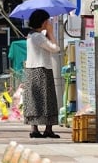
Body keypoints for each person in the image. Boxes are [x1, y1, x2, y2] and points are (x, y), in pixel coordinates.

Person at [23, 9, 61, 139]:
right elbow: (55, 49)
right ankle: (47, 129)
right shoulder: (38, 37)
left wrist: (47, 33)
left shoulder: (31, 35)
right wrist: (51, 32)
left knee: (35, 100)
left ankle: (35, 128)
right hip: (42, 70)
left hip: (32, 70)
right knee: (47, 99)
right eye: (48, 20)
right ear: (44, 22)